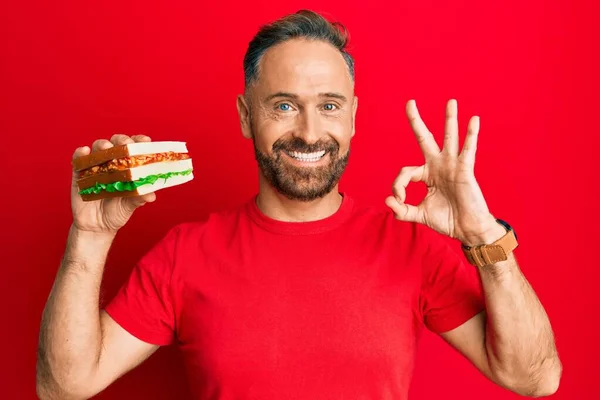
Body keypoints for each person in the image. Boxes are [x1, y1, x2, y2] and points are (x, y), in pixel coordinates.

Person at [36, 10, 562, 400]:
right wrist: (89, 236)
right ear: (246, 116)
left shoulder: (409, 246)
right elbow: (64, 386)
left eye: (328, 106)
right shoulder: (185, 253)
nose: (310, 133)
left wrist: (483, 236)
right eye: (284, 105)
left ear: (353, 116)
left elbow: (535, 378)